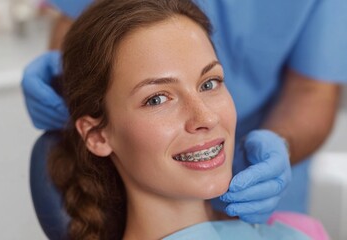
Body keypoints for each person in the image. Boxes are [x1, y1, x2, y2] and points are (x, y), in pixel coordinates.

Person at [22, 0, 347, 227]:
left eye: (211, 82)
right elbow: (76, 28)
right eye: (156, 99)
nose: (205, 117)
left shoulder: (298, 231)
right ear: (96, 134)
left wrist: (276, 145)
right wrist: (65, 75)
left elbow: (313, 91)